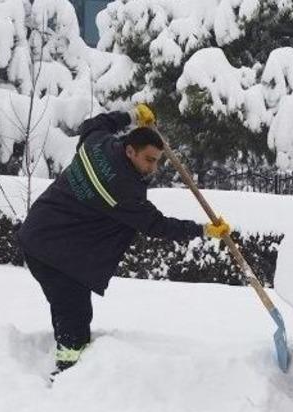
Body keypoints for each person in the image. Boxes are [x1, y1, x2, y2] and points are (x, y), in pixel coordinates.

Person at [17, 105, 231, 375]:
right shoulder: (124, 191)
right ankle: (67, 373)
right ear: (130, 151)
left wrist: (131, 115)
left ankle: (69, 361)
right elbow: (157, 225)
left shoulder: (97, 143)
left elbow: (95, 123)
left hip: (39, 233)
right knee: (74, 316)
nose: (153, 168)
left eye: (156, 161)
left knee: (67, 308)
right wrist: (203, 230)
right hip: (54, 253)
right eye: (149, 160)